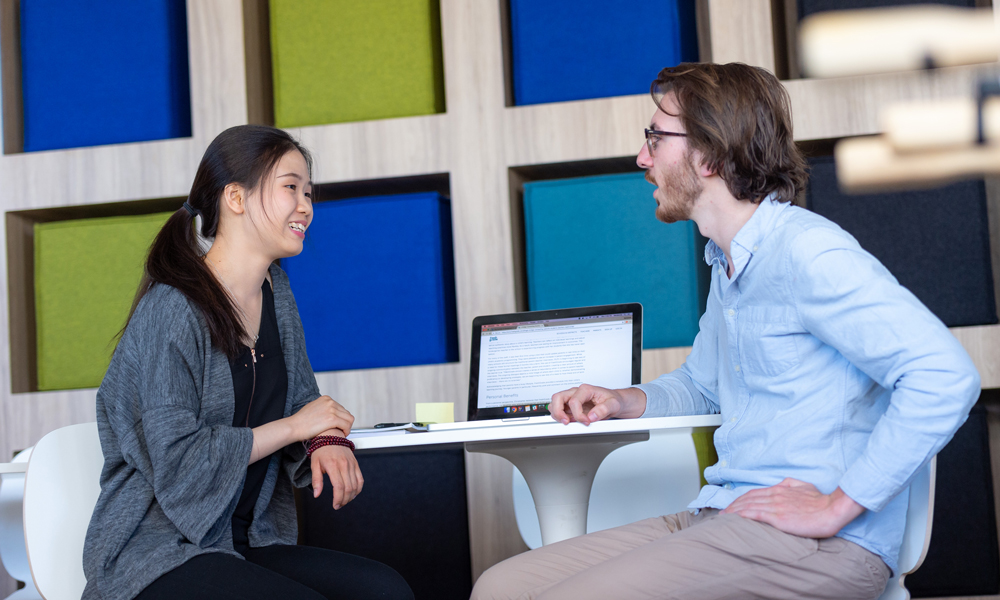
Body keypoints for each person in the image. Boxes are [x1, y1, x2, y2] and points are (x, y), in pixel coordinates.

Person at [472, 63, 981, 600]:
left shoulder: (807, 252)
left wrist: (840, 503)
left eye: (655, 138)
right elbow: (704, 385)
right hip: (720, 516)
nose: (643, 158)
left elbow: (945, 376)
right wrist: (623, 399)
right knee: (499, 587)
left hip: (820, 546)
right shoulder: (729, 263)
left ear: (710, 154)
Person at [83, 125, 414, 600]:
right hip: (155, 553)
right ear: (235, 197)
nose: (305, 207)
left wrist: (323, 439)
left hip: (244, 540)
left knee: (384, 591)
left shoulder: (275, 293)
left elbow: (301, 398)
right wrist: (298, 427)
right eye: (290, 188)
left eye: (308, 192)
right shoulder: (173, 309)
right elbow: (179, 464)